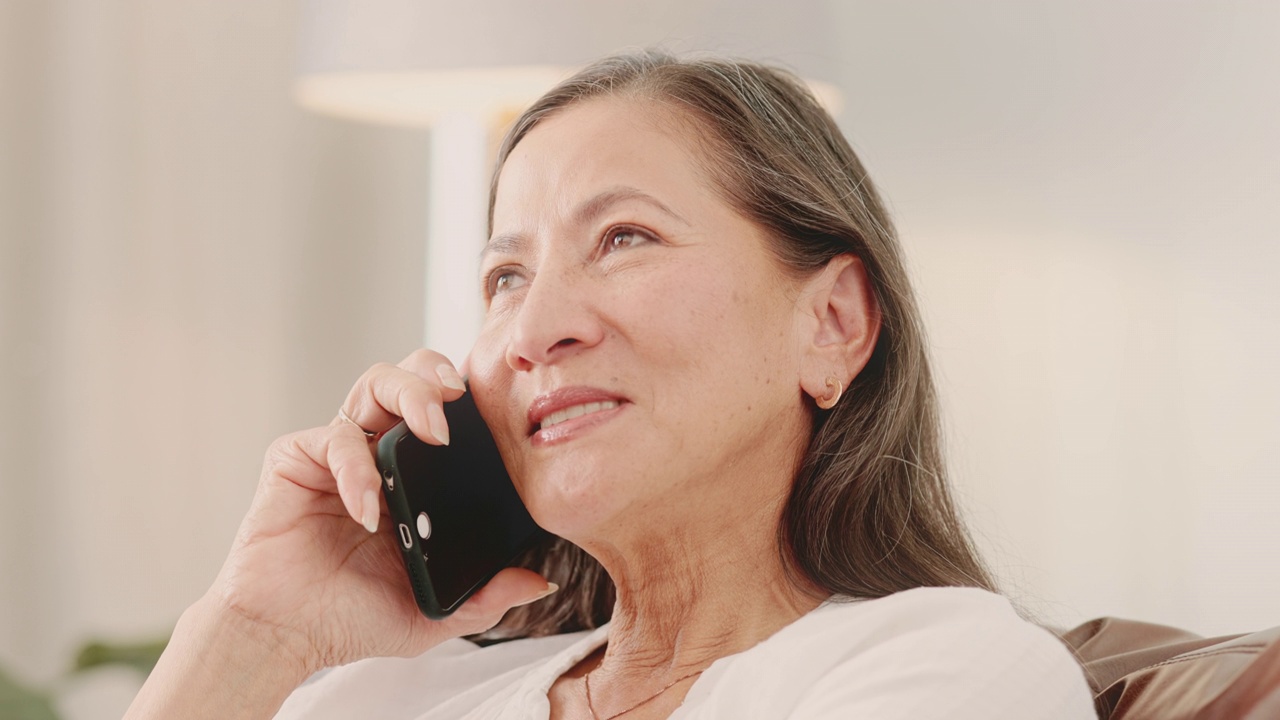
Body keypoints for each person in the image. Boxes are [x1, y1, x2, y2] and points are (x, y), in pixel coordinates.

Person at [125, 51, 1096, 719]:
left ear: (831, 323)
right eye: (506, 278)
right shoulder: (381, 695)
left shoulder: (946, 671)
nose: (538, 329)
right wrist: (251, 639)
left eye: (623, 238)